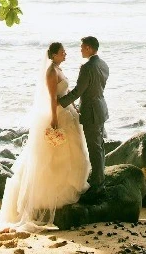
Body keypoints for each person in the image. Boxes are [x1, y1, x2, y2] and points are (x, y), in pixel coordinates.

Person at [0, 42, 90, 230]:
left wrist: (73, 107)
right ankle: (50, 197)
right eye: (62, 52)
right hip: (57, 113)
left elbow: (63, 93)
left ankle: (70, 188)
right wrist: (54, 119)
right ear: (54, 54)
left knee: (74, 149)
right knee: (54, 156)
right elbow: (51, 98)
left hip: (67, 111)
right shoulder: (50, 72)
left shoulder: (58, 68)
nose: (65, 54)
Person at [58, 36, 109, 198]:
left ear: (88, 48)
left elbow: (79, 91)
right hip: (101, 108)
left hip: (91, 112)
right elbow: (96, 88)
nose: (80, 49)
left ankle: (98, 185)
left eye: (82, 47)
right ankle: (100, 179)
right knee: (100, 146)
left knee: (94, 148)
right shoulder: (103, 64)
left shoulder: (87, 67)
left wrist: (60, 102)